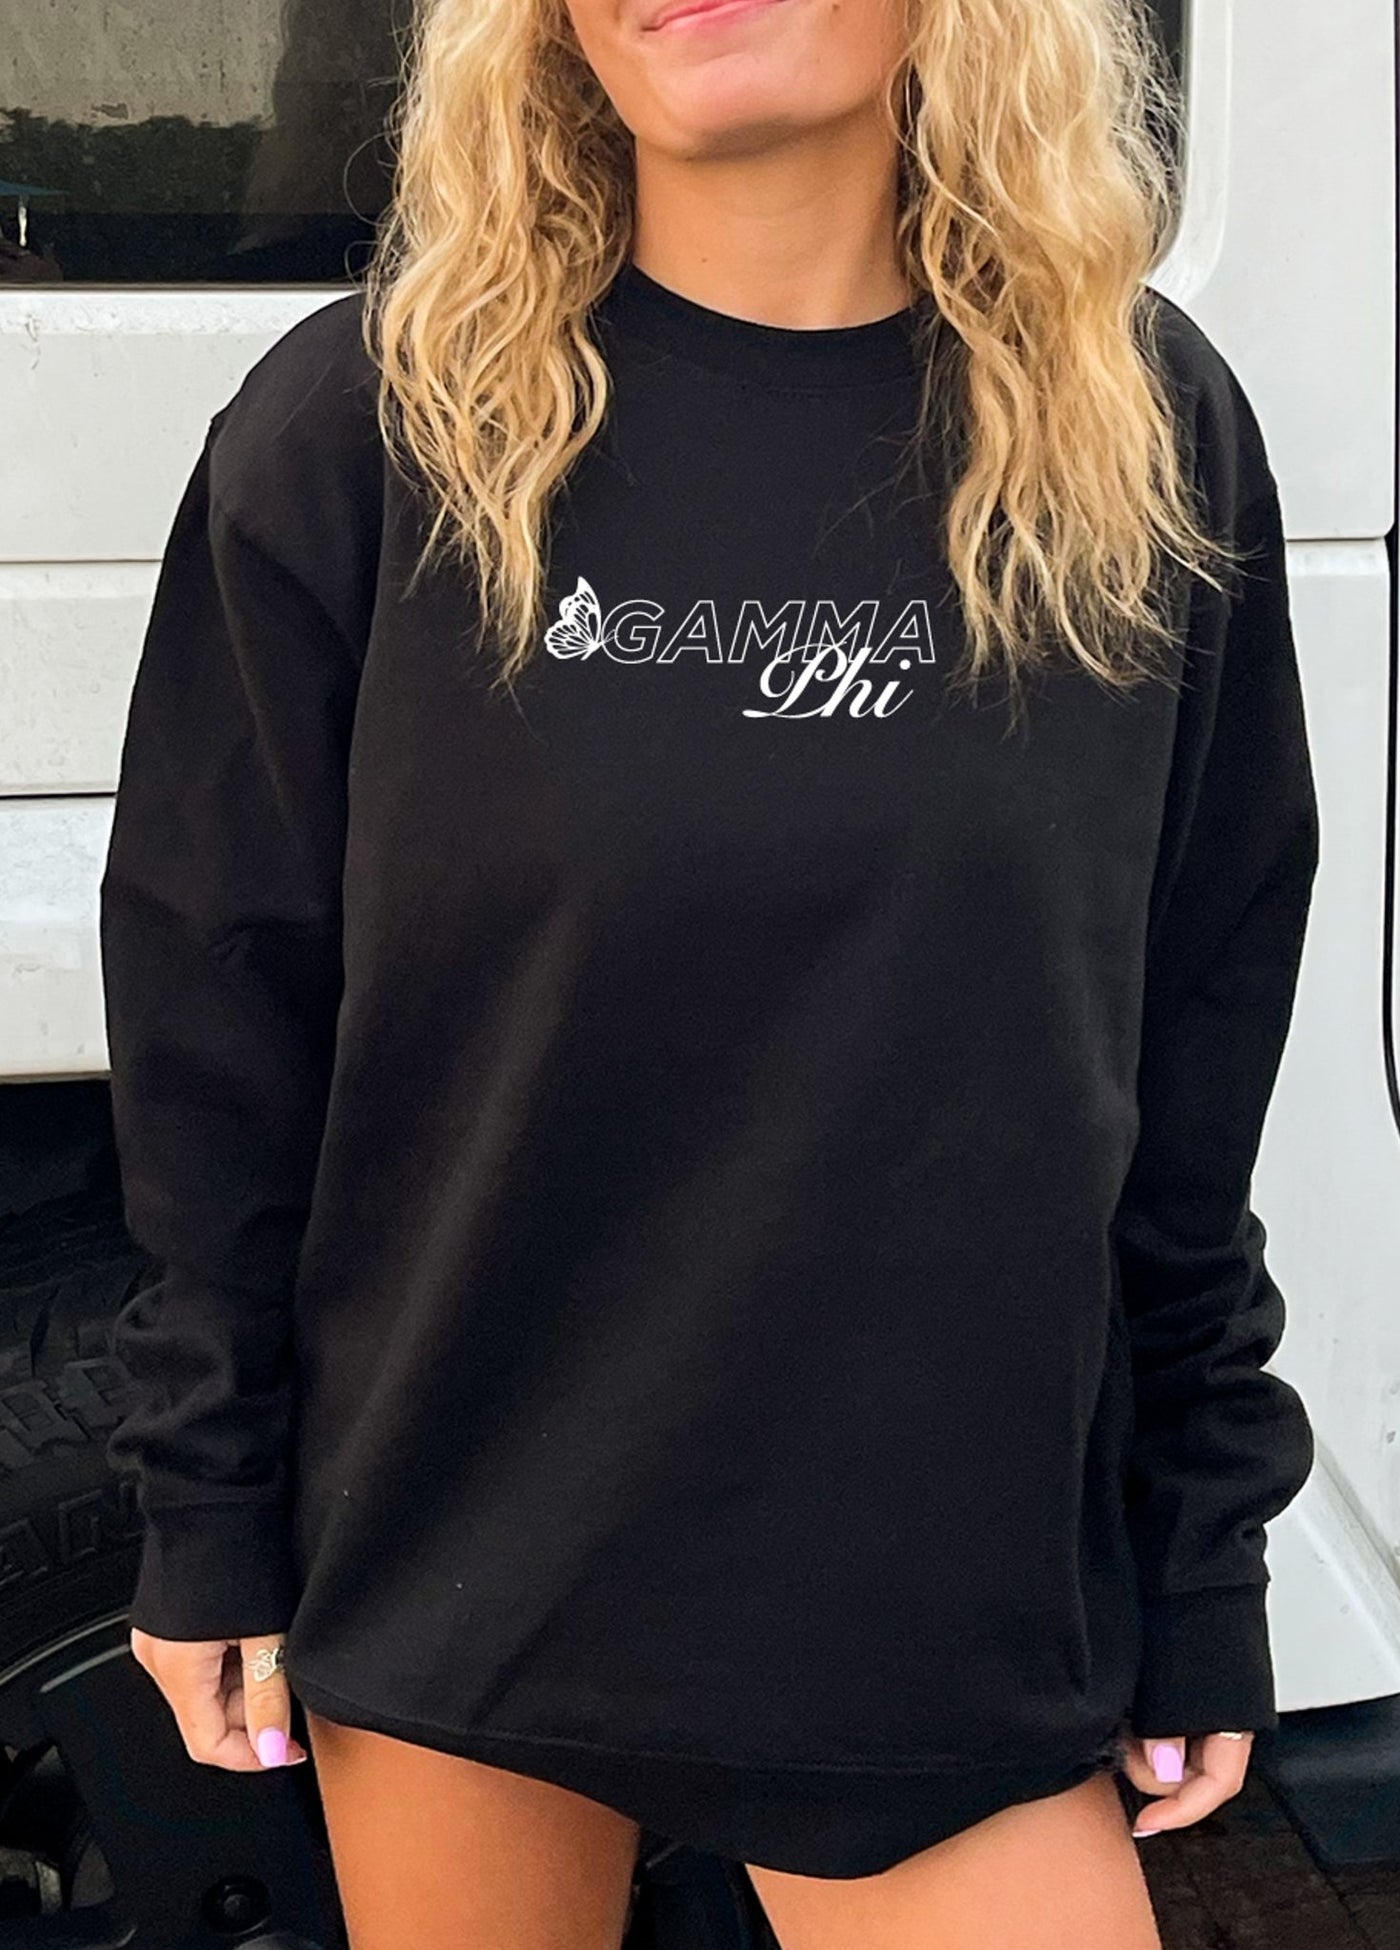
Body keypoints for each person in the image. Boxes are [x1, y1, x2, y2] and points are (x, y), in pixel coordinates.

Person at [97, 0, 1321, 1944]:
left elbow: (1186, 1061)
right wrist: (208, 1509)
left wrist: (1197, 1551)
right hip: (457, 1570)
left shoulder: (1135, 433)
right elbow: (220, 1027)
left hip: (928, 1608)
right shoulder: (371, 430)